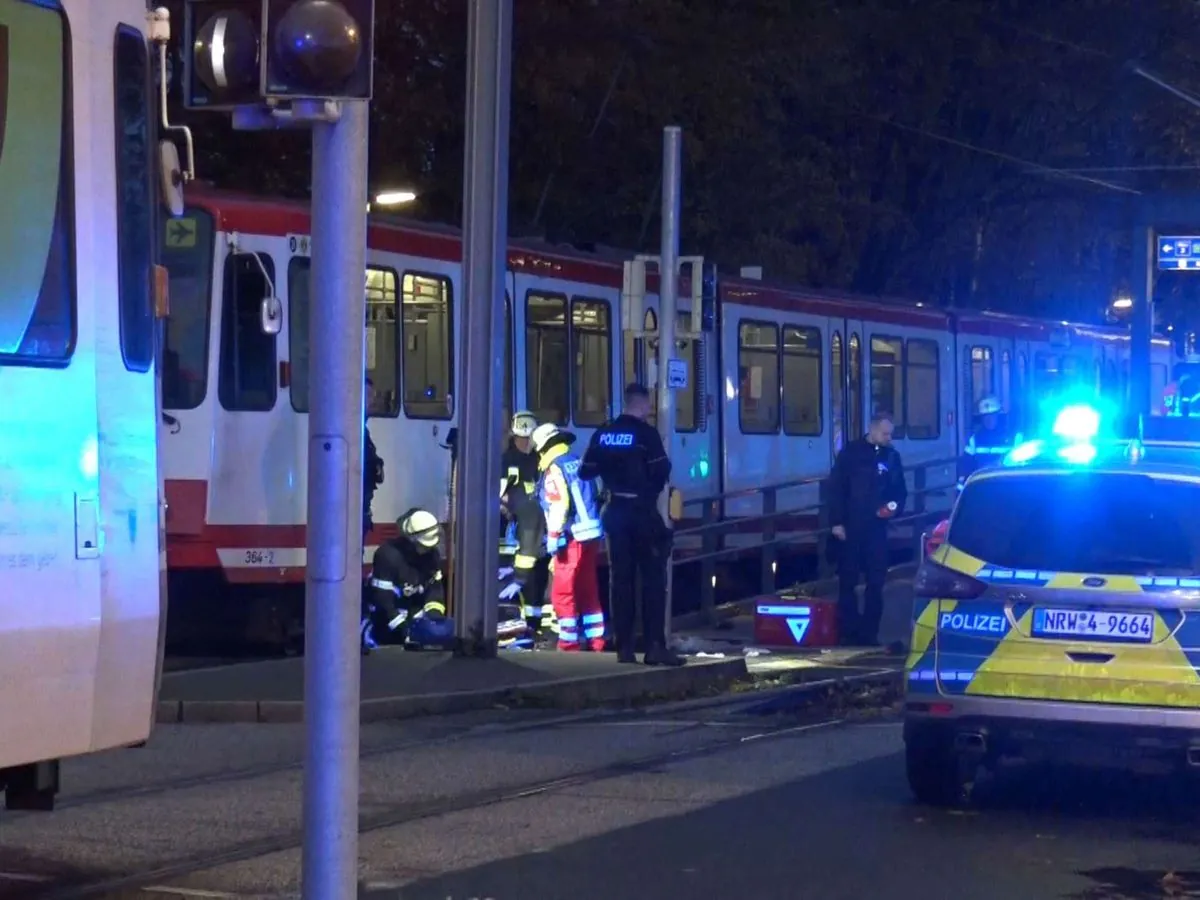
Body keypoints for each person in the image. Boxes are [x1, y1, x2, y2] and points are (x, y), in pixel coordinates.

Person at [579, 383, 684, 667]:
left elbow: (585, 471)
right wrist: (647, 492)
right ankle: (654, 647)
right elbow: (662, 469)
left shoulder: (604, 433)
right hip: (642, 512)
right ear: (643, 405)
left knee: (619, 581)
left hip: (614, 512)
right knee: (652, 580)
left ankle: (623, 648)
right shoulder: (646, 435)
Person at [829, 411, 906, 647]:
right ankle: (848, 630)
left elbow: (899, 492)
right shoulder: (851, 454)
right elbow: (836, 489)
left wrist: (893, 508)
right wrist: (837, 522)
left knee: (876, 582)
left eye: (890, 434)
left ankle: (869, 633)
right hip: (851, 528)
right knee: (848, 582)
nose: (888, 438)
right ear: (872, 429)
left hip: (877, 529)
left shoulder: (892, 457)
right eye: (885, 433)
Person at [531, 422, 606, 652]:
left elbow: (559, 505)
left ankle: (568, 643)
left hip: (571, 537)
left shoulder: (554, 469)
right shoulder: (576, 461)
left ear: (543, 448)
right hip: (592, 533)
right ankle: (597, 641)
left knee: (563, 592)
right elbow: (598, 491)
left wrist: (553, 535)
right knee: (588, 589)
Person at [361, 508, 448, 653]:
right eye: (423, 546)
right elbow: (383, 602)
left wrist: (434, 619)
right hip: (382, 625)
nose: (428, 550)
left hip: (413, 620)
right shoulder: (387, 556)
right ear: (411, 540)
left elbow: (434, 591)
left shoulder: (432, 556)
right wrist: (404, 631)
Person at [499, 411, 554, 638]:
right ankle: (516, 623)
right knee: (518, 579)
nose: (526, 442)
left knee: (539, 576)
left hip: (539, 528)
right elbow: (498, 495)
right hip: (514, 530)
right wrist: (512, 508)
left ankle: (535, 623)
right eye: (522, 438)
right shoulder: (507, 460)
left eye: (529, 438)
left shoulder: (539, 460)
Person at [960, 395, 1020, 483]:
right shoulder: (975, 440)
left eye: (992, 416)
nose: (988, 420)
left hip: (1007, 486)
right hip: (983, 487)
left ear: (999, 417)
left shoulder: (1014, 438)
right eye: (985, 417)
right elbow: (965, 465)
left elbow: (1020, 466)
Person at [363, 376, 385, 540]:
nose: (371, 403)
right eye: (368, 396)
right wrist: (376, 465)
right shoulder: (355, 431)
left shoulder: (362, 430)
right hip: (357, 509)